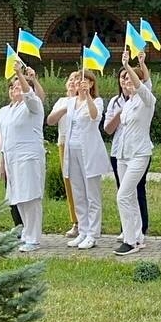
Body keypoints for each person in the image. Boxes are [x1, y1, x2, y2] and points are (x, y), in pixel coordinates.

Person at [49, 69, 111, 250]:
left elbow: (94, 116)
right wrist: (66, 107)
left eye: (83, 80)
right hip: (71, 150)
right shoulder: (70, 102)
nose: (78, 83)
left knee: (92, 194)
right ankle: (83, 230)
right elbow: (51, 120)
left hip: (89, 152)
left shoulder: (97, 101)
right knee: (78, 193)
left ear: (91, 84)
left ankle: (93, 234)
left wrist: (87, 96)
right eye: (76, 80)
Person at [0, 63, 46, 252]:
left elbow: (29, 94)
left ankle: (34, 238)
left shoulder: (33, 105)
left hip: (29, 158)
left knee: (31, 197)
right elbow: (3, 137)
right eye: (14, 86)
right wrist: (1, 160)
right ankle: (26, 233)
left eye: (20, 85)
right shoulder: (10, 109)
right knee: (19, 197)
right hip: (12, 159)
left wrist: (20, 74)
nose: (17, 88)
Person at [106, 50, 156, 255]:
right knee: (131, 197)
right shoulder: (127, 104)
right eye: (124, 79)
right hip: (123, 155)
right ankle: (137, 237)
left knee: (123, 195)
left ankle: (129, 241)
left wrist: (128, 65)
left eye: (130, 78)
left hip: (139, 154)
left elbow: (143, 86)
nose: (126, 81)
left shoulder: (147, 100)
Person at [47, 73, 81, 238]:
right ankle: (75, 221)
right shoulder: (61, 101)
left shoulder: (84, 100)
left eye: (77, 79)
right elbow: (50, 121)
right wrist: (65, 108)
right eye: (71, 79)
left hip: (80, 144)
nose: (73, 82)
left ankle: (87, 220)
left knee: (82, 183)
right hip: (64, 143)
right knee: (69, 182)